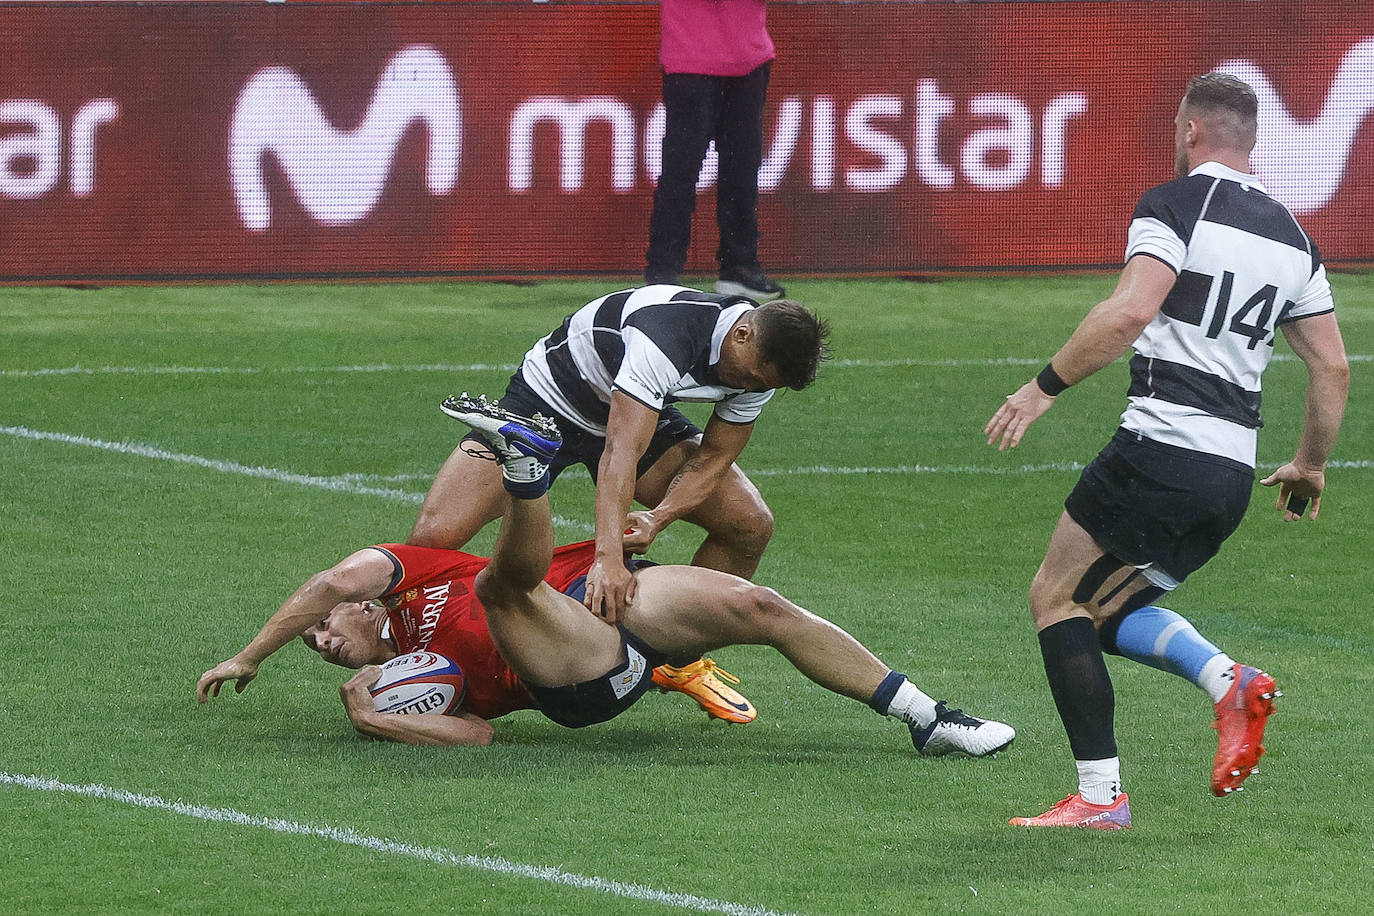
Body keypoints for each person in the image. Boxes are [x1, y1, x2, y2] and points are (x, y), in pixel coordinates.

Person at [197, 399, 1016, 758]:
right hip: (580, 675)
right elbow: (479, 736)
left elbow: (334, 579)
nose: (324, 640)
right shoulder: (417, 678)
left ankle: (929, 717)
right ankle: (527, 470)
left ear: (371, 604)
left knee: (760, 604)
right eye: (317, 647)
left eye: (327, 630)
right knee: (504, 590)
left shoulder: (409, 576)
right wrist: (375, 719)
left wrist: (252, 654)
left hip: (611, 598)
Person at [984, 73, 1349, 830]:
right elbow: (1332, 366)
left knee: (1056, 600)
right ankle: (1228, 680)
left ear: (1191, 131)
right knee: (1101, 609)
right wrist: (1310, 464)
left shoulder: (1175, 205)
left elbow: (1130, 310)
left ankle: (1099, 797)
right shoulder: (1295, 237)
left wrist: (1042, 388)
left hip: (1160, 448)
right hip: (1228, 476)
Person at [409, 286, 828, 721]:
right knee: (433, 538)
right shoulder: (666, 334)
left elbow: (714, 460)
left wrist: (658, 518)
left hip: (639, 409)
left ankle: (678, 660)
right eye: (750, 378)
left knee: (748, 522)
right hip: (548, 403)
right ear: (742, 333)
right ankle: (411, 668)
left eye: (761, 386)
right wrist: (608, 560)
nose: (749, 387)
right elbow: (620, 450)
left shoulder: (761, 367)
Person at [644, 0, 783, 301]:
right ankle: (662, 272)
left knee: (742, 169)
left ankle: (739, 266)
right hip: (690, 58)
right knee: (681, 170)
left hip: (749, 58)